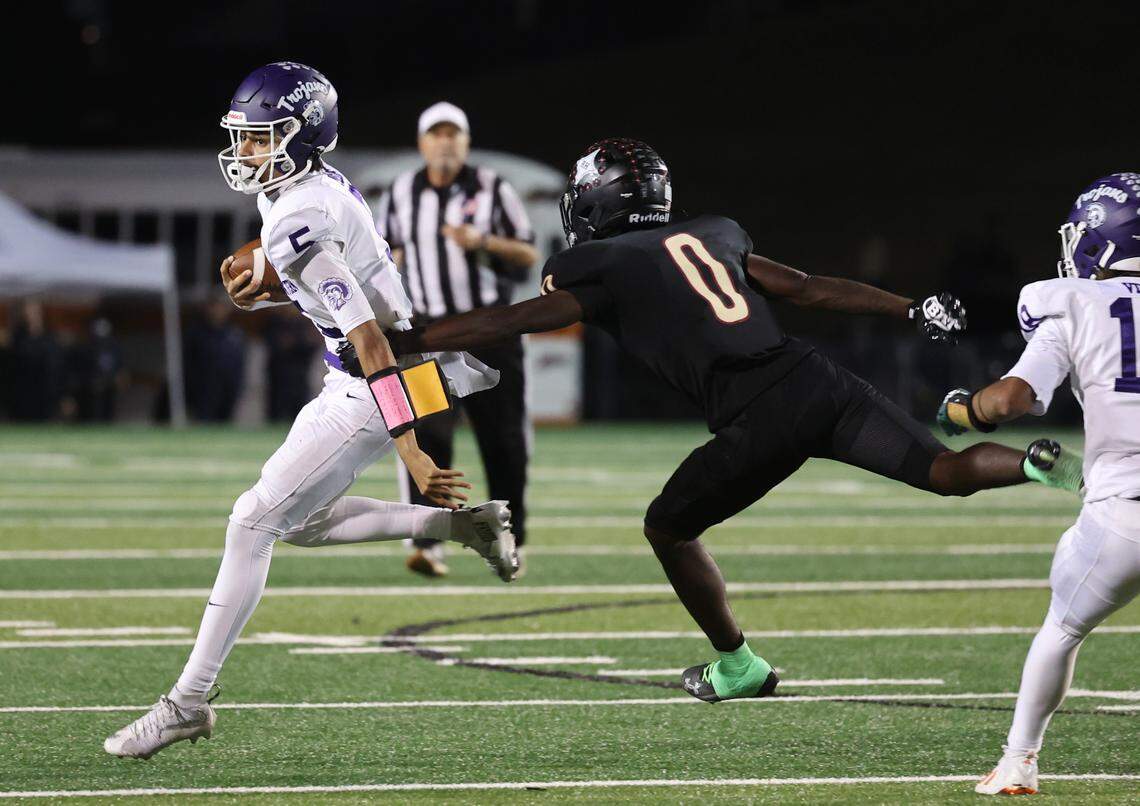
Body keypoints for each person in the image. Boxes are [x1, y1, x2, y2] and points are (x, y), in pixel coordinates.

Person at [388, 137, 1080, 706]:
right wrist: (908, 308)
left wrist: (416, 334)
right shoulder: (713, 234)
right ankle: (1032, 462)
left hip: (757, 415)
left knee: (668, 526)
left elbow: (512, 319)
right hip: (816, 379)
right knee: (943, 471)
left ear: (598, 202)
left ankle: (737, 664)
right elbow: (807, 288)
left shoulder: (598, 267)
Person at [103, 62, 519, 761]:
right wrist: (275, 291)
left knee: (252, 520)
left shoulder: (298, 215)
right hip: (367, 376)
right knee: (298, 522)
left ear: (302, 137)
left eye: (262, 139)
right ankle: (460, 527)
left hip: (373, 383)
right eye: (244, 138)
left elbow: (369, 337)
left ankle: (187, 702)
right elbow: (347, 300)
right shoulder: (301, 193)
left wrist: (411, 449)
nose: (246, 153)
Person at [945, 173, 1140, 796]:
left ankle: (1019, 762)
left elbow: (1009, 401)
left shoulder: (1073, 304)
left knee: (1062, 626)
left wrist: (960, 410)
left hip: (1125, 519)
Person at [377, 102, 539, 577]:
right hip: (432, 336)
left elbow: (528, 253)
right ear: (423, 143)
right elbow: (390, 255)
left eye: (454, 134)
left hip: (490, 333)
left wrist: (483, 242)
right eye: (436, 134)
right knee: (428, 434)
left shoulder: (494, 188)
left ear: (465, 142)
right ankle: (428, 542)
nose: (445, 142)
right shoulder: (403, 191)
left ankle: (513, 539)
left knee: (503, 441)